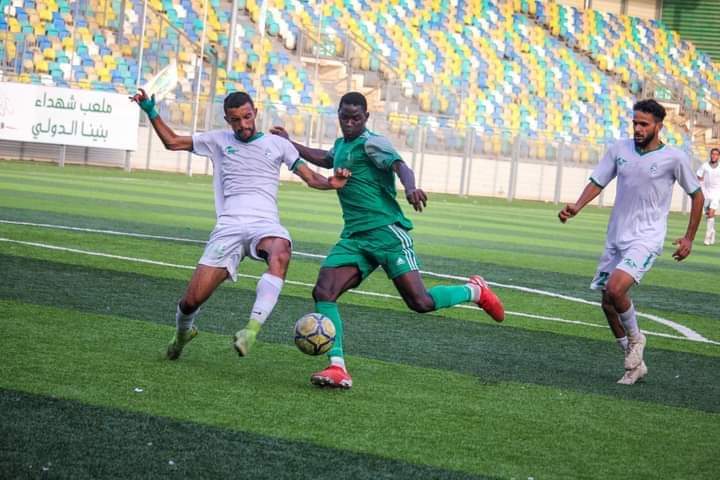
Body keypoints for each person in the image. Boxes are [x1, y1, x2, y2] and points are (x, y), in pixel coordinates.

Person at [271, 92, 505, 389]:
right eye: (345, 117)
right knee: (324, 291)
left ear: (366, 118)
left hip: (386, 233)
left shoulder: (373, 142)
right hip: (355, 238)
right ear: (339, 115)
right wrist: (289, 143)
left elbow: (400, 166)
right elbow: (326, 158)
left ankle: (474, 291)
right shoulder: (343, 145)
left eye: (356, 118)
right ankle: (337, 367)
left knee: (419, 302)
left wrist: (411, 187)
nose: (350, 123)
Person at [130, 89, 351, 360]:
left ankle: (251, 330)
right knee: (191, 302)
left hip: (265, 224)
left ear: (255, 113)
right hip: (229, 226)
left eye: (247, 117)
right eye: (236, 120)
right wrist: (151, 111)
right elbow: (173, 142)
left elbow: (311, 177)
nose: (243, 124)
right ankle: (182, 333)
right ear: (227, 120)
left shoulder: (278, 144)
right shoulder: (217, 141)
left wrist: (332, 183)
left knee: (281, 250)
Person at [558, 99, 704, 385]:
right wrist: (577, 206)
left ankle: (637, 340)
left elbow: (697, 196)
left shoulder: (674, 158)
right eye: (635, 122)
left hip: (646, 238)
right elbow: (598, 181)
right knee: (607, 302)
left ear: (659, 126)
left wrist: (689, 237)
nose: (637, 128)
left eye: (644, 124)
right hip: (616, 237)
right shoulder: (619, 150)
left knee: (615, 288)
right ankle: (634, 363)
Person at [696, 147, 720, 245]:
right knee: (708, 214)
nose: (714, 156)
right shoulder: (705, 165)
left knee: (711, 213)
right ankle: (712, 232)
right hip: (706, 192)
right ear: (710, 155)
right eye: (713, 154)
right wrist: (702, 186)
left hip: (717, 192)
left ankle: (707, 237)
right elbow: (699, 175)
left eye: (716, 154)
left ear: (719, 156)